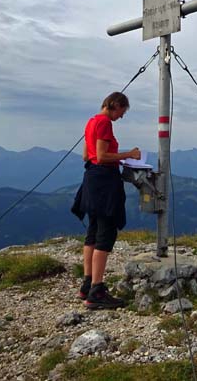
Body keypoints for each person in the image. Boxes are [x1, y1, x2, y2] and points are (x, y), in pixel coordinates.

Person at [75, 92, 140, 309]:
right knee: (106, 233)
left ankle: (87, 284)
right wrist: (127, 154)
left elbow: (87, 156)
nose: (121, 116)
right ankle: (97, 290)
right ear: (115, 105)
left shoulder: (91, 121)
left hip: (91, 180)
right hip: (104, 183)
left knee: (92, 231)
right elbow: (102, 156)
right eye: (122, 111)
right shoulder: (104, 123)